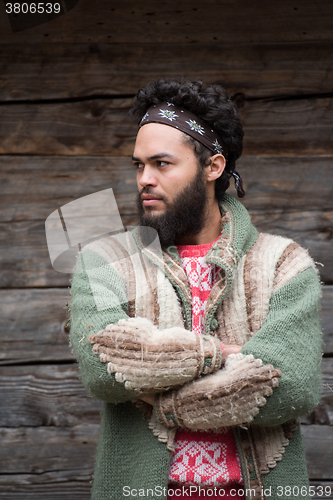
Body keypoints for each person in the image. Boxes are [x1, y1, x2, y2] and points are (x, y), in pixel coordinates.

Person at [69, 79, 323, 500]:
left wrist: (158, 387)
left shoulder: (283, 264)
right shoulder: (103, 262)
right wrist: (226, 357)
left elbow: (291, 385)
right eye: (138, 165)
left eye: (162, 164)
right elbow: (104, 369)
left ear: (213, 167)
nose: (144, 179)